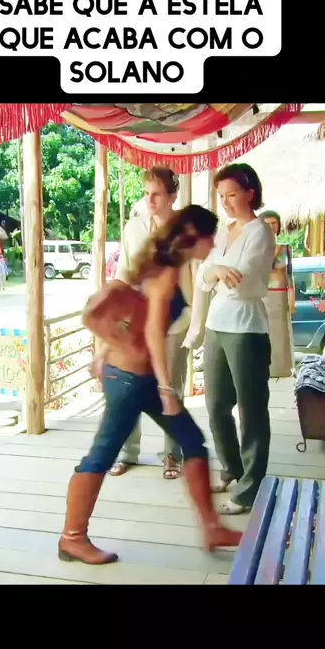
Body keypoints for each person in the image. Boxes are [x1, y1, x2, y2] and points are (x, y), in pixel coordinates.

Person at [57, 205, 243, 565]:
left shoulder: (157, 264)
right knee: (103, 453)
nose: (214, 242)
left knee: (192, 441)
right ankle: (72, 538)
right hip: (132, 379)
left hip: (131, 375)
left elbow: (133, 315)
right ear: (195, 237)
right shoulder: (166, 272)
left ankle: (212, 528)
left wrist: (106, 350)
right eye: (212, 235)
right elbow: (154, 333)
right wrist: (166, 388)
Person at [194, 163, 276, 516]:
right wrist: (214, 271)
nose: (225, 202)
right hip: (217, 324)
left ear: (249, 193)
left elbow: (241, 283)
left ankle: (250, 489)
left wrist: (215, 273)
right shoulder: (223, 232)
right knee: (216, 405)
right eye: (221, 196)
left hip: (247, 328)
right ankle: (231, 467)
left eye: (231, 194)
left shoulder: (261, 232)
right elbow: (202, 277)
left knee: (251, 409)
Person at [109, 166, 193, 480]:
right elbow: (123, 273)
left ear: (172, 195)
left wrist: (194, 321)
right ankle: (127, 452)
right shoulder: (133, 228)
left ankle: (172, 453)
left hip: (174, 319)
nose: (150, 200)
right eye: (147, 194)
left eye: (157, 194)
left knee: (170, 387)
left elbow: (194, 278)